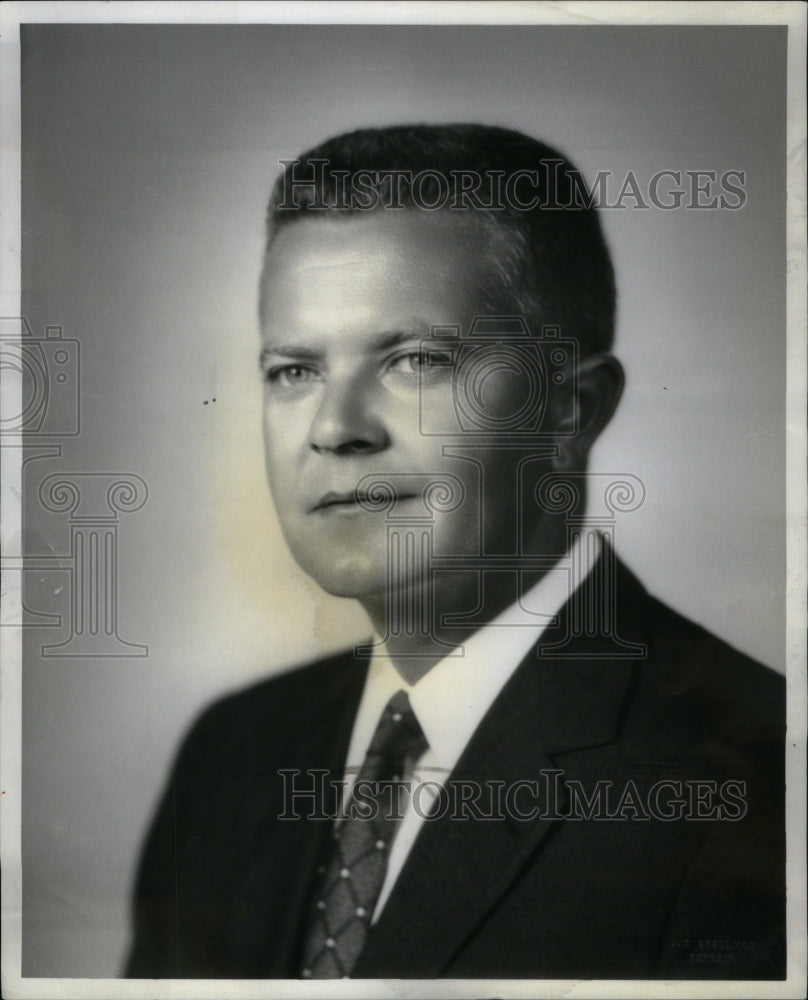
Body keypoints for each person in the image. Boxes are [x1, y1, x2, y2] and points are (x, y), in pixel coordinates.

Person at [125, 124, 785, 980]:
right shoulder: (234, 753)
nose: (335, 429)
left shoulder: (756, 782)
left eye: (415, 359)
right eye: (294, 370)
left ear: (570, 409)